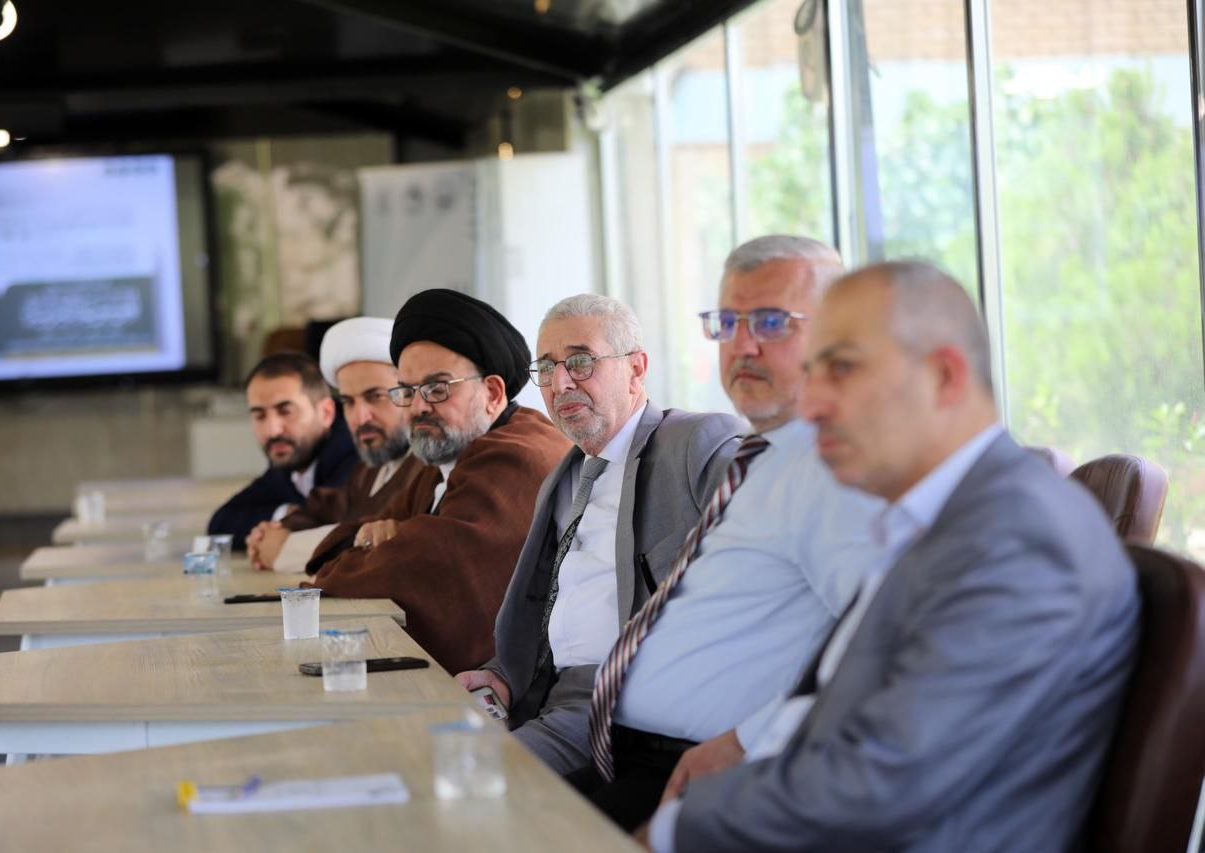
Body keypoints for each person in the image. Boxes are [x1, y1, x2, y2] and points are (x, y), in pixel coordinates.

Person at [645, 260, 1141, 852]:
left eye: (843, 368)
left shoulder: (1020, 540)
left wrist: (672, 830)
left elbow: (877, 789)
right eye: (811, 371)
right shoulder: (936, 520)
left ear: (944, 376)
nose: (812, 404)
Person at [575, 236, 886, 830]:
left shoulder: (837, 471)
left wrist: (750, 739)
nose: (743, 346)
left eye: (771, 322)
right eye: (727, 322)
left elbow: (883, 642)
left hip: (711, 778)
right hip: (645, 762)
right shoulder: (763, 458)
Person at [455, 294, 745, 775]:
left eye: (580, 361)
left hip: (625, 707)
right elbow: (561, 604)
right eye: (546, 368)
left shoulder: (695, 443)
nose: (560, 383)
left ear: (636, 369)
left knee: (473, 779)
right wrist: (501, 676)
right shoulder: (565, 476)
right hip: (549, 697)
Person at [302, 289, 572, 674]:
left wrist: (378, 546)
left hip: (532, 694)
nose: (418, 407)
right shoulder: (443, 457)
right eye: (407, 391)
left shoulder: (515, 456)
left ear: (492, 393)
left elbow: (411, 571)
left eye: (437, 388)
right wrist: (367, 539)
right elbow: (335, 552)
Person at [246, 317, 430, 572]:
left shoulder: (429, 465)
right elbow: (325, 508)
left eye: (375, 396)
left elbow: (376, 540)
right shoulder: (371, 465)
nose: (361, 417)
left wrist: (284, 548)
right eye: (349, 402)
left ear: (408, 394)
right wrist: (277, 531)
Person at [207, 352, 356, 550]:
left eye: (285, 412)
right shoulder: (288, 464)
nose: (273, 430)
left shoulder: (355, 453)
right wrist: (286, 514)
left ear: (326, 413)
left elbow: (330, 524)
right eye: (259, 416)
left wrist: (287, 526)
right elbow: (220, 525)